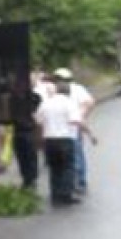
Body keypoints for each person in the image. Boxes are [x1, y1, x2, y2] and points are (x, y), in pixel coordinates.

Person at [34, 74, 97, 206]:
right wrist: (90, 134)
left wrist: (40, 140)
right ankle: (66, 195)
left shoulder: (45, 103)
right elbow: (77, 121)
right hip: (65, 139)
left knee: (54, 168)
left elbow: (38, 121)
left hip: (49, 140)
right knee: (67, 167)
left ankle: (55, 195)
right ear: (68, 92)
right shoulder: (69, 103)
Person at [52, 68, 95, 194]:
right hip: (61, 129)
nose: (57, 81)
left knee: (76, 154)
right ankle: (70, 183)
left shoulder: (77, 89)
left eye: (59, 78)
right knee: (68, 158)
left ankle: (80, 181)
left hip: (73, 127)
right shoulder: (55, 90)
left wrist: (81, 115)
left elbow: (89, 102)